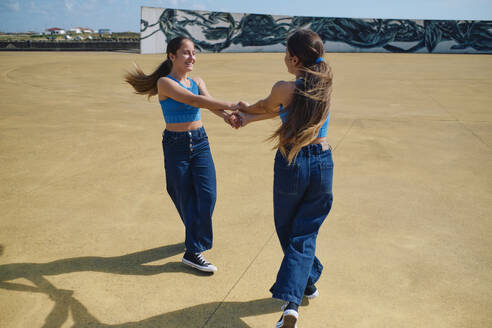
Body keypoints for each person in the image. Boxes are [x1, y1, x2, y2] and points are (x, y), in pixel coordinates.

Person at [234, 29, 334, 327]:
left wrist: (242, 109)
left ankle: (291, 305)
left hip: (293, 163)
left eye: (285, 53)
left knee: (290, 231)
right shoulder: (324, 85)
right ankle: (307, 282)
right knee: (304, 233)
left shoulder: (284, 87)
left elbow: (268, 105)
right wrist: (250, 118)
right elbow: (283, 112)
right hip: (323, 164)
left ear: (293, 58)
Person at [125, 36, 240, 273]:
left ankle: (194, 241)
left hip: (200, 143)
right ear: (172, 56)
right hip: (175, 145)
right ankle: (193, 251)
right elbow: (194, 100)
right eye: (186, 53)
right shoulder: (164, 84)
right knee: (183, 195)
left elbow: (207, 102)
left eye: (194, 53)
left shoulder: (197, 80)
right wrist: (235, 104)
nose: (192, 58)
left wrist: (227, 115)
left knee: (208, 195)